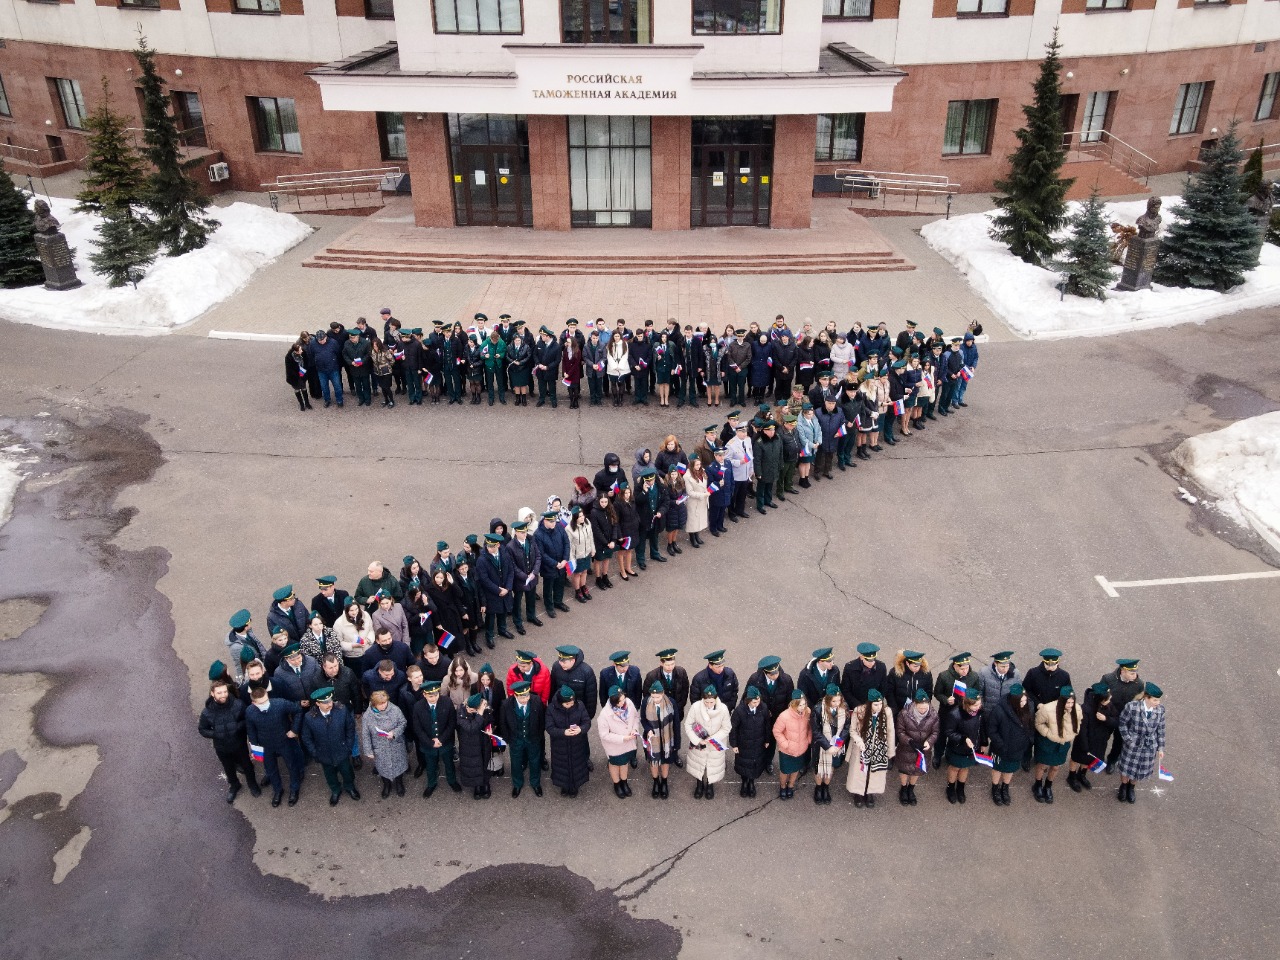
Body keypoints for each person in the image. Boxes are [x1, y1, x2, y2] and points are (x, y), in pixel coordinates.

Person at [198, 677, 261, 805]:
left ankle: (252, 784)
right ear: (212, 693)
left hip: (239, 744)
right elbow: (202, 729)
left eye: (225, 691)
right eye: (219, 692)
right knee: (228, 768)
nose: (223, 695)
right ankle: (234, 785)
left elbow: (247, 719)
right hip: (221, 747)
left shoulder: (238, 705)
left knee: (247, 765)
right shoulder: (207, 712)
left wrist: (237, 727)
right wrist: (216, 734)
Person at [244, 684, 304, 807]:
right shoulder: (249, 712)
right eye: (261, 703)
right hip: (265, 745)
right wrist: (254, 748)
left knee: (292, 766)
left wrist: (294, 730)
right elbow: (251, 730)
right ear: (254, 703)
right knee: (270, 769)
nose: (265, 704)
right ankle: (277, 790)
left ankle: (294, 789)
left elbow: (298, 710)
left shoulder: (280, 703)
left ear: (267, 695)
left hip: (285, 742)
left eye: (266, 700)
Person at [300, 686, 360, 806]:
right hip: (324, 753)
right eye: (325, 702)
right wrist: (315, 752)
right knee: (330, 774)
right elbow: (306, 737)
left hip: (341, 750)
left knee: (347, 771)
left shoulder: (342, 710)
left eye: (330, 700)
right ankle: (335, 790)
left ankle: (350, 787)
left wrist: (348, 746)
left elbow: (350, 728)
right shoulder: (309, 717)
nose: (329, 704)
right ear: (317, 703)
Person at [1115, 681, 1166, 804]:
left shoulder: (1160, 710)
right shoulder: (1132, 707)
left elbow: (1161, 729)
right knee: (1127, 767)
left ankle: (1131, 787)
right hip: (1133, 743)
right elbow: (1122, 723)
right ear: (1146, 697)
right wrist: (1128, 739)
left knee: (1139, 769)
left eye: (1158, 700)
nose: (1158, 703)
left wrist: (1161, 748)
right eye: (1155, 700)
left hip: (1149, 746)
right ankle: (1123, 786)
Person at [984, 683, 1033, 807]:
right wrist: (1001, 744)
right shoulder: (999, 710)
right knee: (997, 768)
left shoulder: (1028, 707)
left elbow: (1030, 725)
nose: (1024, 703)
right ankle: (995, 788)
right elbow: (991, 730)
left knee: (1010, 769)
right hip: (1000, 749)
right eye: (1021, 701)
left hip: (1018, 748)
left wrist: (1027, 740)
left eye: (1025, 700)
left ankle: (1005, 788)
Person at [412, 680, 462, 797]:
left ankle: (452, 781)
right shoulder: (418, 707)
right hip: (428, 744)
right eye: (430, 696)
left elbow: (451, 723)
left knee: (449, 763)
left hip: (445, 742)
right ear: (424, 694)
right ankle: (431, 784)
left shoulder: (447, 702)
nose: (434, 698)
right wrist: (430, 743)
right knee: (430, 765)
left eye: (436, 695)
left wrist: (441, 739)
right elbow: (418, 728)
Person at [846, 688, 894, 808]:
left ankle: (870, 792)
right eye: (876, 704)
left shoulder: (887, 712)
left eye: (880, 704)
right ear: (869, 703)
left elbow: (890, 731)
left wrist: (890, 751)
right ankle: (858, 793)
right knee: (859, 771)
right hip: (861, 747)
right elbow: (852, 730)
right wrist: (858, 740)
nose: (879, 707)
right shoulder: (859, 711)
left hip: (879, 747)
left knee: (875, 771)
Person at [1033, 686, 1082, 804]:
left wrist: (1074, 732)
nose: (1070, 705)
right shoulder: (1047, 709)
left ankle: (1048, 786)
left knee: (1055, 767)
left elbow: (1079, 721)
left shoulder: (1077, 709)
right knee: (1042, 765)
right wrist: (1048, 733)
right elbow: (1038, 723)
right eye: (1067, 702)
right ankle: (1038, 784)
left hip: (1063, 744)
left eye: (1072, 702)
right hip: (1048, 743)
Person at [1068, 681, 1117, 793]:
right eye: (1107, 699)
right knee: (1076, 758)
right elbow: (1082, 730)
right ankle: (1071, 776)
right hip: (1084, 741)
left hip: (1100, 740)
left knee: (1089, 759)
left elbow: (1116, 721)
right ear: (1099, 699)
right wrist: (1085, 746)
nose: (1110, 701)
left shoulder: (1108, 705)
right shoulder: (1085, 709)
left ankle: (1082, 774)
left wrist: (1106, 719)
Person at [684, 685, 731, 799]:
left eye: (711, 702)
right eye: (706, 702)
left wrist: (712, 738)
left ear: (716, 699)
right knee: (698, 763)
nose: (709, 705)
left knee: (713, 764)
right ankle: (699, 784)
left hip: (715, 743)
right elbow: (688, 724)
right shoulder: (695, 707)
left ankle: (710, 785)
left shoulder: (723, 709)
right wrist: (697, 740)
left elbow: (726, 728)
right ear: (703, 699)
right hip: (699, 742)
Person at [501, 680, 546, 797]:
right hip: (516, 739)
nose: (526, 699)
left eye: (527, 696)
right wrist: (508, 739)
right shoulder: (506, 705)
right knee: (516, 762)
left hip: (533, 739)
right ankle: (517, 784)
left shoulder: (536, 701)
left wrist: (539, 736)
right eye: (522, 697)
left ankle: (535, 783)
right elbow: (503, 723)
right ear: (515, 695)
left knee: (535, 761)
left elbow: (541, 720)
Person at [361, 688, 408, 798]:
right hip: (379, 746)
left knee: (399, 765)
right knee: (382, 767)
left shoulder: (395, 710)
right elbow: (365, 734)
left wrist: (394, 732)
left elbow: (403, 723)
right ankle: (386, 785)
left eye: (385, 702)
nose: (384, 706)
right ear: (374, 704)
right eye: (380, 704)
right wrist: (368, 751)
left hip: (396, 744)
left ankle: (399, 783)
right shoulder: (367, 715)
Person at [894, 688, 938, 806]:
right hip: (907, 748)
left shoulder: (933, 715)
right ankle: (903, 788)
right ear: (915, 704)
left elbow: (935, 732)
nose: (923, 710)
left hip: (923, 750)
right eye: (920, 708)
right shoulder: (904, 713)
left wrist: (929, 742)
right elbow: (900, 731)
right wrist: (910, 741)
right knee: (904, 769)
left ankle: (911, 789)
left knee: (917, 770)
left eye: (925, 707)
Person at [597, 685, 641, 798]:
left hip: (628, 742)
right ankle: (617, 784)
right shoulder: (604, 715)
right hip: (615, 746)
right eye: (620, 701)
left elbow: (636, 717)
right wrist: (622, 738)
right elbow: (604, 735)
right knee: (615, 764)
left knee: (625, 762)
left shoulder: (628, 703)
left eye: (623, 698)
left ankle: (624, 782)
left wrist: (635, 729)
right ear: (613, 702)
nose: (623, 702)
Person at [1100, 658, 1144, 770]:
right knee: (1102, 738)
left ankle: (1112, 761)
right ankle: (1099, 758)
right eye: (1131, 673)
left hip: (1125, 719)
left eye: (1135, 672)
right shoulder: (1108, 679)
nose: (1135, 675)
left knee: (1119, 742)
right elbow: (1100, 696)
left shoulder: (1139, 684)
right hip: (1109, 716)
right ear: (1123, 671)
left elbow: (1139, 702)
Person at [547, 685, 591, 796]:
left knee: (577, 765)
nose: (571, 705)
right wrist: (563, 732)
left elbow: (586, 722)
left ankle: (574, 786)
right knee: (562, 767)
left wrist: (581, 729)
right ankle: (564, 786)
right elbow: (550, 728)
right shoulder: (551, 709)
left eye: (572, 703)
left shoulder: (580, 705)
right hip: (560, 745)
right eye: (567, 704)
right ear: (560, 702)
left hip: (577, 743)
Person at [941, 692, 984, 805]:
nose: (979, 707)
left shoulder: (979, 713)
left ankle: (960, 788)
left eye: (979, 704)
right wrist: (963, 738)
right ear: (967, 704)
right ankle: (950, 788)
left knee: (965, 768)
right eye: (976, 705)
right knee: (955, 768)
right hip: (958, 747)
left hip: (972, 748)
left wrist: (983, 743)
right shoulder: (955, 714)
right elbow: (949, 731)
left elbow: (982, 728)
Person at [502, 519, 543, 634]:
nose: (525, 534)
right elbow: (512, 566)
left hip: (532, 577)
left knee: (531, 598)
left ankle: (531, 616)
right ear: (516, 532)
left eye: (525, 532)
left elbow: (538, 556)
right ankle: (518, 622)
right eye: (522, 532)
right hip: (519, 580)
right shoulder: (510, 547)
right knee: (517, 602)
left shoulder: (531, 540)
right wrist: (525, 576)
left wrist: (534, 572)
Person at [476, 532, 515, 649]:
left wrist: (507, 588)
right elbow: (484, 579)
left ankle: (502, 629)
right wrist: (498, 590)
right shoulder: (482, 560)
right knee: (491, 616)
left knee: (503, 611)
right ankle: (489, 636)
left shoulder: (505, 554)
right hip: (492, 593)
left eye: (492, 546)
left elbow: (511, 571)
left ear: (498, 545)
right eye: (488, 546)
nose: (489, 548)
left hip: (505, 590)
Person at [729, 686, 769, 798]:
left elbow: (767, 725)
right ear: (748, 701)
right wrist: (734, 744)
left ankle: (751, 782)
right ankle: (744, 782)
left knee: (755, 763)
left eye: (758, 701)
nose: (757, 704)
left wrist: (767, 739)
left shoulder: (763, 708)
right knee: (744, 764)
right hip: (744, 744)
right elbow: (733, 728)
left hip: (758, 742)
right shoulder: (739, 711)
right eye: (754, 702)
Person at [640, 681, 678, 798]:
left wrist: (677, 743)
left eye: (658, 697)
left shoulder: (671, 702)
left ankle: (664, 782)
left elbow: (676, 723)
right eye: (653, 696)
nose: (655, 699)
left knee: (665, 761)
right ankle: (656, 782)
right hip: (653, 739)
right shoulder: (646, 702)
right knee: (654, 761)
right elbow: (643, 719)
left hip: (667, 738)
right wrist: (648, 729)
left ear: (663, 693)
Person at [773, 690, 812, 800]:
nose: (803, 707)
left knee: (795, 769)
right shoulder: (784, 716)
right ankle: (782, 786)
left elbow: (809, 728)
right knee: (785, 771)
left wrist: (808, 740)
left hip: (801, 748)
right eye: (800, 705)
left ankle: (790, 785)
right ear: (794, 704)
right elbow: (777, 731)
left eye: (804, 704)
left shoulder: (807, 713)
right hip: (787, 750)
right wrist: (786, 744)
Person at [534, 509, 572, 617]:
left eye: (554, 521)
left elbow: (566, 543)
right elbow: (541, 553)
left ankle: (558, 602)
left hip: (561, 563)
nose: (554, 523)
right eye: (551, 521)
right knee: (548, 587)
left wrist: (565, 559)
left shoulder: (559, 527)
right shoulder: (538, 534)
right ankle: (549, 606)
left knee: (560, 584)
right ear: (545, 521)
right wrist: (555, 564)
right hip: (549, 567)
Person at [457, 693, 494, 799]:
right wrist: (479, 714)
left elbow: (491, 721)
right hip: (470, 745)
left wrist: (490, 728)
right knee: (474, 765)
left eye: (474, 710)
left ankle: (485, 783)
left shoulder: (486, 709)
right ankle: (476, 785)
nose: (471, 711)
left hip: (483, 742)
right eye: (470, 709)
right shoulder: (461, 713)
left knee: (485, 762)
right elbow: (471, 728)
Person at [635, 466, 667, 569]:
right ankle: (641, 559)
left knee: (654, 537)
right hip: (644, 519)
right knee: (642, 540)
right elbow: (637, 501)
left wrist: (661, 511)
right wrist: (644, 492)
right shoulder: (638, 488)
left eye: (652, 480)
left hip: (655, 518)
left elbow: (665, 501)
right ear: (644, 480)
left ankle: (655, 554)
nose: (650, 482)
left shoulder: (661, 487)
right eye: (648, 481)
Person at [589, 492, 620, 590]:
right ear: (598, 501)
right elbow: (596, 530)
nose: (604, 504)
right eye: (602, 502)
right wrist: (606, 542)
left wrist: (613, 540)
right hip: (599, 542)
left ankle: (605, 576)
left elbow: (615, 525)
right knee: (598, 560)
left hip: (610, 540)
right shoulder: (594, 512)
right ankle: (598, 578)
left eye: (606, 502)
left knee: (607, 558)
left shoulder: (610, 509)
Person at [842, 642, 887, 708]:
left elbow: (883, 688)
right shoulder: (850, 668)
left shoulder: (881, 667)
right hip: (856, 705)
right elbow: (846, 690)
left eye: (874, 659)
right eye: (869, 660)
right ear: (861, 657)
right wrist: (857, 705)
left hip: (874, 705)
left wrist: (876, 703)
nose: (872, 663)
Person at [567, 506, 595, 603]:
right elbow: (569, 545)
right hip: (577, 556)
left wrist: (593, 549)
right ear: (575, 518)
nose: (582, 518)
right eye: (580, 516)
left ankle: (583, 587)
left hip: (586, 553)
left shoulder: (587, 523)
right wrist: (571, 559)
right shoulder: (569, 529)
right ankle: (578, 591)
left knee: (585, 571)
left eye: (583, 515)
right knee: (577, 574)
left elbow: (591, 536)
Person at [614, 485, 641, 579]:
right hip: (624, 531)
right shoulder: (617, 504)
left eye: (629, 492)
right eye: (625, 493)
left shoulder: (632, 500)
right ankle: (622, 571)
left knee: (630, 549)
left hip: (633, 529)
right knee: (622, 551)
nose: (628, 495)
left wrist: (637, 521)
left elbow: (635, 513)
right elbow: (616, 521)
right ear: (621, 493)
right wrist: (619, 535)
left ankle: (628, 568)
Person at [342, 328, 373, 407]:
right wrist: (351, 362)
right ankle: (361, 399)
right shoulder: (347, 343)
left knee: (366, 385)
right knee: (357, 385)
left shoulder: (366, 343)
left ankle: (367, 399)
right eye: (350, 337)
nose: (351, 339)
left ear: (358, 336)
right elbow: (345, 354)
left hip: (364, 368)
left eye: (353, 338)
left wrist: (362, 361)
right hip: (354, 368)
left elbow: (368, 354)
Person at [662, 464, 687, 556]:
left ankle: (674, 542)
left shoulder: (681, 481)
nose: (674, 476)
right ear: (669, 474)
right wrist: (674, 502)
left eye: (675, 474)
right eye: (672, 474)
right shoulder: (666, 485)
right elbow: (666, 499)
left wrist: (683, 498)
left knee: (677, 527)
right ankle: (669, 545)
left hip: (680, 508)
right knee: (671, 529)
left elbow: (684, 492)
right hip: (671, 509)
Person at [507, 329, 532, 405]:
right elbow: (507, 356)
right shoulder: (509, 346)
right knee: (516, 384)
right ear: (513, 340)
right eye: (516, 340)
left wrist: (521, 362)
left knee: (523, 384)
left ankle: (524, 398)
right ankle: (517, 398)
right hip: (514, 368)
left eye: (519, 340)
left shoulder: (526, 347)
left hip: (523, 368)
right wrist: (513, 361)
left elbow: (528, 356)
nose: (517, 342)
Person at [285, 340, 312, 412]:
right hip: (294, 377)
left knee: (304, 388)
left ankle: (307, 403)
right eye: (300, 350)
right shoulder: (289, 357)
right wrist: (298, 374)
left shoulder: (303, 353)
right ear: (296, 352)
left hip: (302, 373)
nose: (302, 351)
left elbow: (306, 363)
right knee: (297, 390)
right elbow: (290, 369)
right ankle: (301, 404)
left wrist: (303, 372)